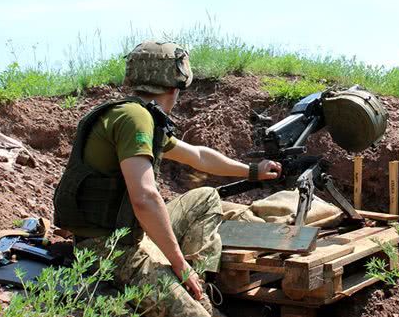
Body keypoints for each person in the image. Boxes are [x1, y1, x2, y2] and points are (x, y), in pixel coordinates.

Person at [53, 41, 282, 317]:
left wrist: (252, 171)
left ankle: (198, 287)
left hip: (126, 232)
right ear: (174, 88)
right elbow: (145, 198)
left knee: (207, 197)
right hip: (110, 250)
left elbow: (198, 156)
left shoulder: (134, 114)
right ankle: (192, 289)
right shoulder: (136, 119)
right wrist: (178, 264)